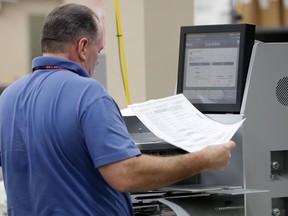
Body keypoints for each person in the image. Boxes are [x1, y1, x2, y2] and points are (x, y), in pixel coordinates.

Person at [0, 3, 236, 216]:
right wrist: (204, 160)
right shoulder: (89, 95)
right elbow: (126, 174)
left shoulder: (8, 97)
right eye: (98, 50)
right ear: (82, 47)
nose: (98, 59)